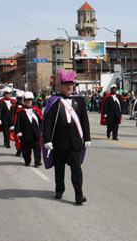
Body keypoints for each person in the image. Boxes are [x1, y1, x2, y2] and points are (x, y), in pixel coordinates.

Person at [43, 68, 91, 205]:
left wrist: (87, 137)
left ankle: (79, 195)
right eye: (67, 85)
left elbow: (84, 120)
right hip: (59, 140)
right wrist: (47, 140)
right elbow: (48, 121)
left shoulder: (79, 101)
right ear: (61, 86)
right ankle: (59, 189)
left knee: (76, 168)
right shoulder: (54, 101)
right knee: (59, 167)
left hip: (75, 141)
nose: (70, 87)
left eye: (71, 85)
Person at [14, 92, 43, 167]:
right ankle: (27, 161)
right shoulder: (20, 112)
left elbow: (41, 121)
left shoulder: (36, 110)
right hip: (25, 134)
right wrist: (17, 132)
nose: (29, 102)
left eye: (30, 100)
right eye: (27, 100)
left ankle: (37, 162)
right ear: (24, 101)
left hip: (35, 133)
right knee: (26, 149)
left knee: (37, 148)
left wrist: (42, 130)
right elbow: (17, 123)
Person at [9, 91, 25, 156]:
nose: (20, 100)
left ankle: (24, 151)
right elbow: (11, 116)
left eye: (21, 99)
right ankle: (18, 150)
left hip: (24, 126)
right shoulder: (14, 107)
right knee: (18, 140)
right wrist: (11, 124)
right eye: (19, 99)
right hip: (17, 125)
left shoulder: (25, 107)